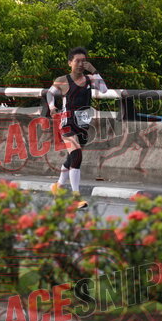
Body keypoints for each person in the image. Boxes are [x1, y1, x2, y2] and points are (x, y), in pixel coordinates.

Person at [46, 47, 108, 208]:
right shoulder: (62, 80)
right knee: (77, 155)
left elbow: (104, 89)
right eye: (77, 61)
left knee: (72, 158)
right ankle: (75, 197)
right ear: (70, 63)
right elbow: (50, 93)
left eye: (83, 61)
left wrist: (94, 70)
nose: (81, 64)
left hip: (83, 123)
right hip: (67, 123)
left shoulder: (90, 79)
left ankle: (58, 187)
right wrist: (52, 107)